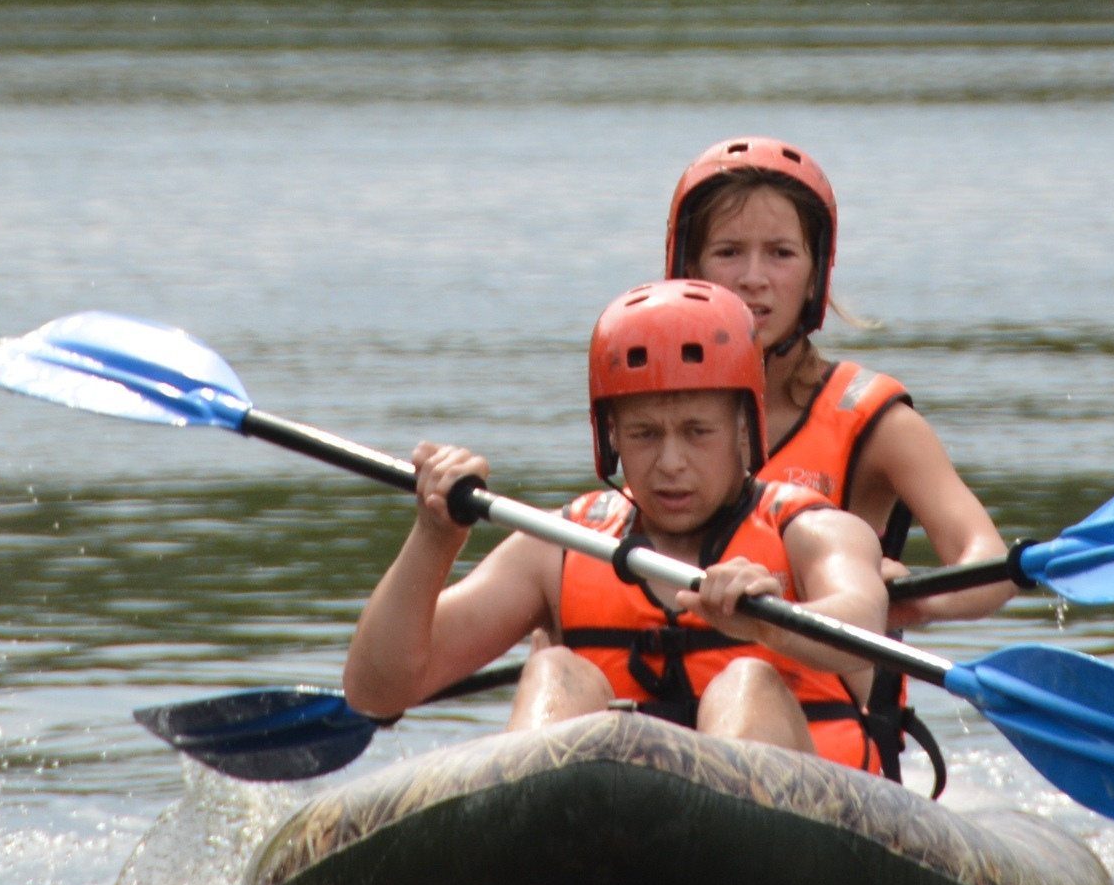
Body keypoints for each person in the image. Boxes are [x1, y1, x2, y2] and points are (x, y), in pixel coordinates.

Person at [343, 279, 896, 768]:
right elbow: (377, 690)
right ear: (610, 438)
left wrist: (770, 624)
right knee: (557, 671)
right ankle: (538, 831)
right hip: (608, 835)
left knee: (746, 684)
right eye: (644, 434)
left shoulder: (812, 528)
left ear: (744, 431)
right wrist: (434, 538)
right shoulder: (561, 545)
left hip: (796, 822)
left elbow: (864, 628)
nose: (671, 462)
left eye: (698, 432)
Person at [664, 136, 1017, 783]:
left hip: (829, 756)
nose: (752, 277)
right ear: (687, 268)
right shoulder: (652, 417)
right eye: (728, 251)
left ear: (815, 275)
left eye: (780, 253)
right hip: (680, 726)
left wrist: (907, 601)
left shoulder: (873, 420)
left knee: (750, 688)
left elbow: (989, 567)